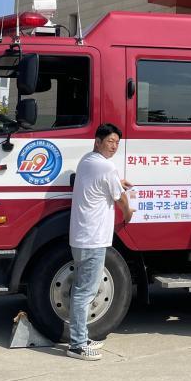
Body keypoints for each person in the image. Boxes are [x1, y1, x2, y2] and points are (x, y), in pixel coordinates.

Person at [68, 123, 134, 361]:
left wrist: (117, 181)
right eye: (110, 141)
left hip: (82, 237)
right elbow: (121, 199)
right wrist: (128, 213)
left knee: (81, 289)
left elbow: (104, 183)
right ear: (97, 141)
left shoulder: (87, 161)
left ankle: (81, 338)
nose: (114, 146)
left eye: (117, 142)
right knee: (85, 292)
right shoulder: (106, 166)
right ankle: (77, 345)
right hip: (93, 239)